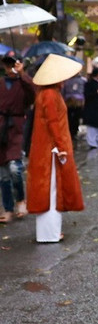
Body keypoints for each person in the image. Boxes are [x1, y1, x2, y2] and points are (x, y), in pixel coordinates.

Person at [26, 54, 85, 242]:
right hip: (51, 150)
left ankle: (48, 233)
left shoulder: (46, 93)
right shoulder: (51, 95)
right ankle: (49, 234)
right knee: (51, 190)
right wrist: (61, 148)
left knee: (49, 190)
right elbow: (53, 124)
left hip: (47, 148)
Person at [0, 56, 34, 222]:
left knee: (15, 169)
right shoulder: (0, 82)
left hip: (16, 128)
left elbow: (32, 94)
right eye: (6, 65)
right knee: (3, 175)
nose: (9, 68)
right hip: (0, 130)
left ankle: (21, 199)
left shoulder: (24, 83)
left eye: (12, 64)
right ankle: (8, 208)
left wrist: (23, 74)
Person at [61, 70, 85, 140]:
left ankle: (73, 131)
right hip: (69, 101)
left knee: (75, 118)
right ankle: (71, 131)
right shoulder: (66, 80)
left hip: (77, 101)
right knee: (70, 117)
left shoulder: (82, 80)